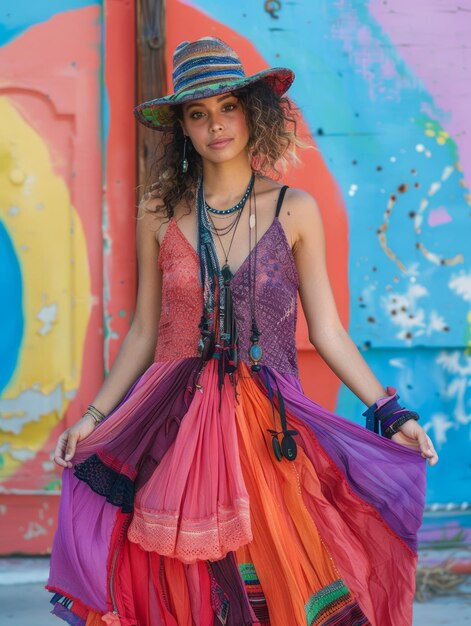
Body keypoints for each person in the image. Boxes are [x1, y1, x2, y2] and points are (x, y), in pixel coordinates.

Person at [47, 37, 438, 626]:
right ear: (183, 127)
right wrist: (94, 418)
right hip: (172, 425)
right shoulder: (159, 213)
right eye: (198, 114)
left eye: (227, 107)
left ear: (253, 112)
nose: (215, 125)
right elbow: (144, 332)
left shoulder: (295, 209)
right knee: (181, 586)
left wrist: (393, 412)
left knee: (282, 576)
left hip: (269, 426)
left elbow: (327, 331)